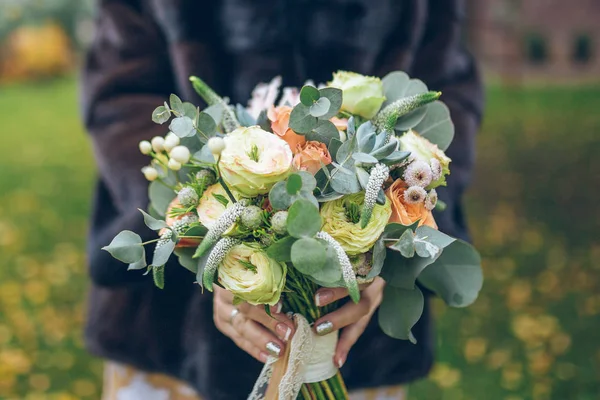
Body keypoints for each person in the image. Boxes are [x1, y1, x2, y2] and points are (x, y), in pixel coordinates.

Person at [81, 0, 483, 399]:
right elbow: (121, 95)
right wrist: (213, 241)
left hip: (358, 341)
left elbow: (448, 90)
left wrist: (381, 249)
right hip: (169, 328)